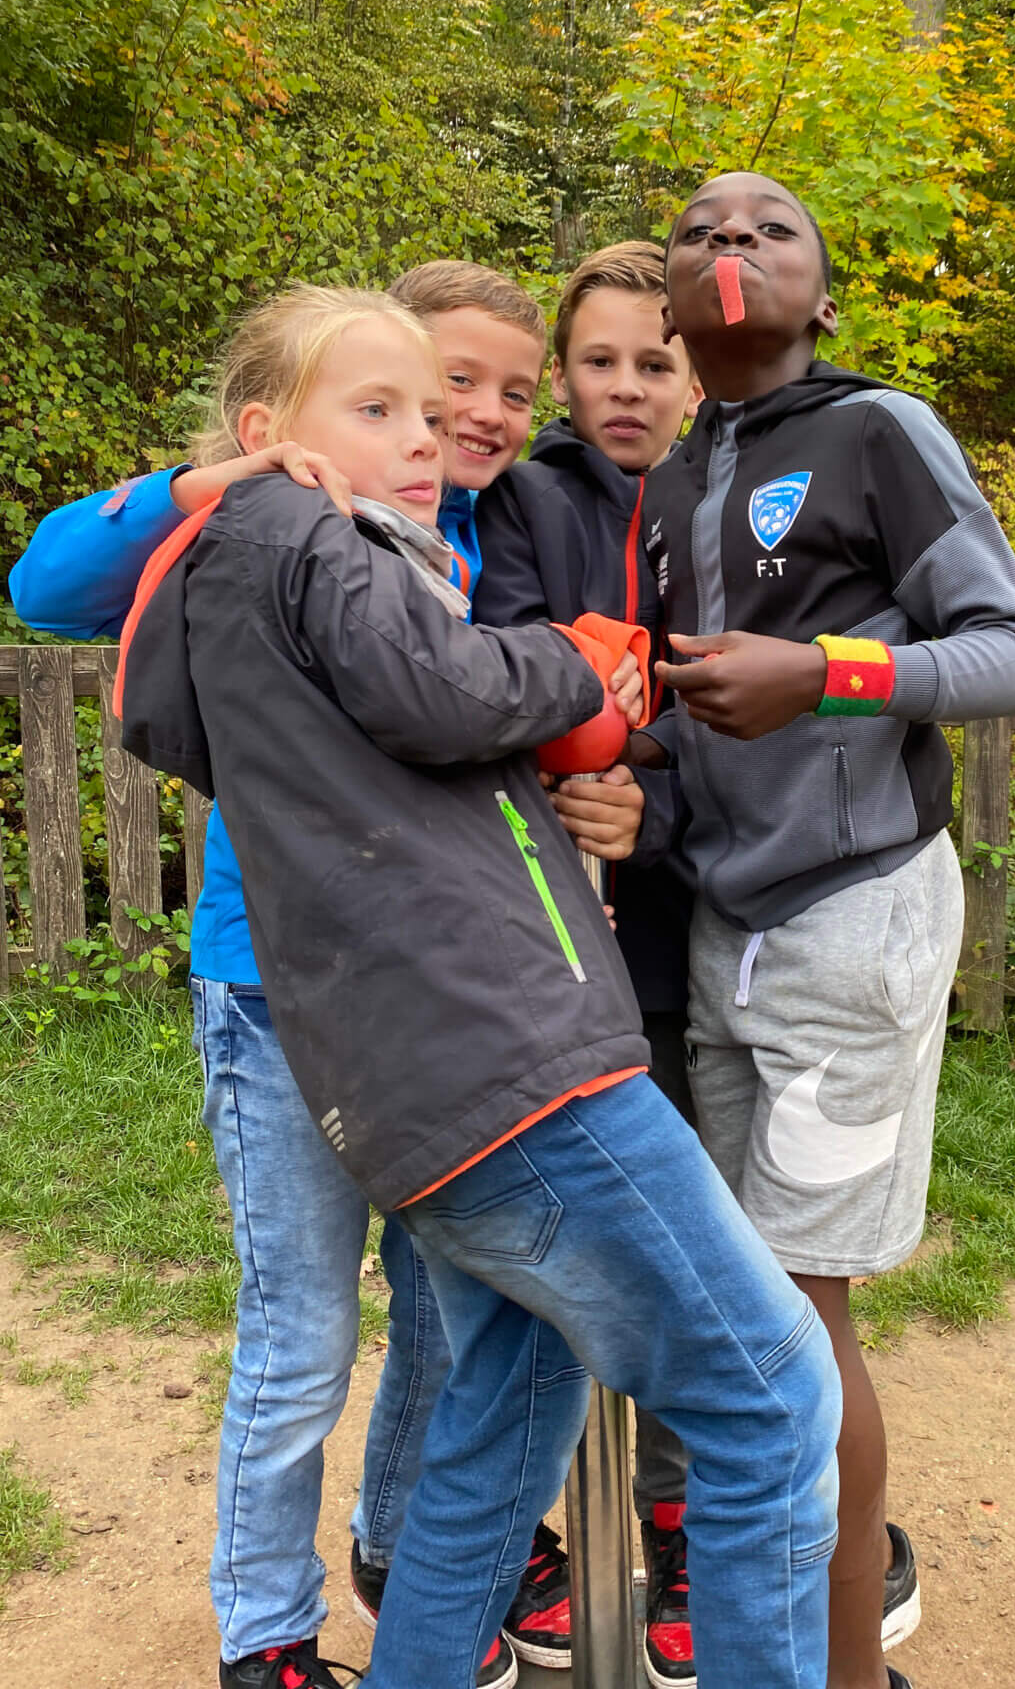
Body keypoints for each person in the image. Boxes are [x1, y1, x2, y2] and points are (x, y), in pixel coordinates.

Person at [115, 282, 842, 1689]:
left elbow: (400, 720)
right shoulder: (290, 529)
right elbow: (442, 692)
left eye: (434, 415)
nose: (425, 439)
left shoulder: (286, 578)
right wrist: (574, 671)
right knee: (773, 1396)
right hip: (512, 1073)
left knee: (510, 1413)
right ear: (267, 433)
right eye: (378, 410)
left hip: (423, 1086)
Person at [7, 262, 571, 1689]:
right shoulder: (252, 532)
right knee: (301, 1331)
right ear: (298, 420)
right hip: (274, 999)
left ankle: (403, 1551)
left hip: (438, 1007)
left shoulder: (460, 541)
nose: (451, 429)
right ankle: (265, 1632)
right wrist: (220, 481)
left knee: (453, 1312)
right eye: (405, 401)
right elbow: (47, 581)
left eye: (485, 403)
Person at [641, 172, 1015, 1689]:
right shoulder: (677, 477)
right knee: (749, 1303)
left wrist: (823, 673)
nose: (730, 244)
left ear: (821, 296)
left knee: (798, 1316)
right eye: (699, 230)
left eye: (769, 230)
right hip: (721, 930)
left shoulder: (882, 430)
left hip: (856, 916)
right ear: (673, 302)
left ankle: (843, 1667)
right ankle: (770, 1635)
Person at [473, 239, 703, 1687]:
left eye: (656, 362)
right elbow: (487, 671)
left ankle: (681, 1522)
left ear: (693, 375)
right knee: (549, 1249)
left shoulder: (723, 505)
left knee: (687, 1241)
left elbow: (746, 707)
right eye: (601, 360)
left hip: (679, 926)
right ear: (564, 374)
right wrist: (576, 771)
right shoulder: (517, 500)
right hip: (533, 927)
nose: (626, 388)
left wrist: (650, 799)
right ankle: (527, 1528)